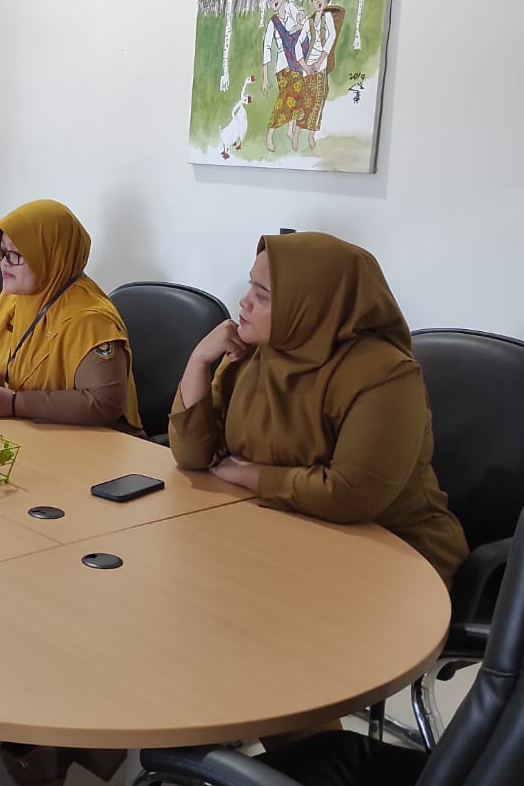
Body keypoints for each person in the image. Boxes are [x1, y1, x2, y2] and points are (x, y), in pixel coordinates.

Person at [169, 232, 467, 587]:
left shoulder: (386, 375)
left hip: (392, 553)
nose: (243, 302)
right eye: (250, 286)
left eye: (262, 296)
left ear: (310, 306)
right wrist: (198, 361)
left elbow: (352, 493)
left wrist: (251, 475)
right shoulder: (254, 353)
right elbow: (193, 454)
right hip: (283, 530)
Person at [0, 199, 141, 432]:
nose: (4, 263)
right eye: (2, 251)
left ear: (51, 256)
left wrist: (14, 403)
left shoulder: (91, 320)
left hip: (95, 442)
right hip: (29, 431)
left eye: (15, 254)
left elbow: (102, 404)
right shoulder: (14, 299)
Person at [260, 0, 308, 152]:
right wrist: (265, 77)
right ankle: (269, 134)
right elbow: (266, 48)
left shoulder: (293, 10)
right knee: (284, 100)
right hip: (282, 66)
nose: (274, 0)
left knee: (298, 96)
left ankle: (290, 130)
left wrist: (299, 25)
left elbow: (303, 27)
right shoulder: (272, 23)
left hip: (297, 61)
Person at [293, 0, 344, 151]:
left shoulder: (327, 18)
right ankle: (296, 134)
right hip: (308, 68)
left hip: (320, 67)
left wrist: (320, 61)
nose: (318, 0)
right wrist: (305, 66)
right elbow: (298, 45)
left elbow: (331, 38)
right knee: (305, 102)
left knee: (318, 101)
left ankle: (311, 135)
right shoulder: (308, 22)